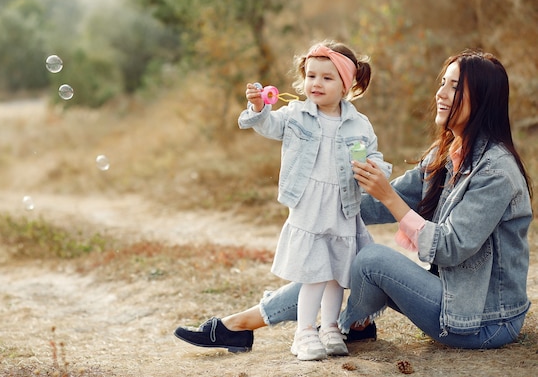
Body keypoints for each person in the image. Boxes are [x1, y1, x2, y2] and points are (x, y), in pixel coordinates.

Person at [174, 49, 533, 353]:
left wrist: (388, 196)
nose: (441, 93)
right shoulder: (448, 153)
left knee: (368, 257)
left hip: (486, 320)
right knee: (329, 251)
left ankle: (346, 325)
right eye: (443, 82)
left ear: (482, 99)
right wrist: (322, 200)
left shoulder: (495, 171)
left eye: (455, 87)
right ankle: (241, 324)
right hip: (456, 299)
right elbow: (371, 205)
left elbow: (451, 248)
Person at [178, 40, 392, 361]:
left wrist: (376, 168)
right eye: (311, 76)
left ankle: (330, 327)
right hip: (309, 204)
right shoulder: (296, 114)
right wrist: (259, 108)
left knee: (336, 272)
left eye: (327, 78)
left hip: (343, 205)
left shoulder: (359, 124)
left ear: (346, 85)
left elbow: (373, 154)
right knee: (314, 272)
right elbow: (269, 125)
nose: (315, 84)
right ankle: (304, 333)